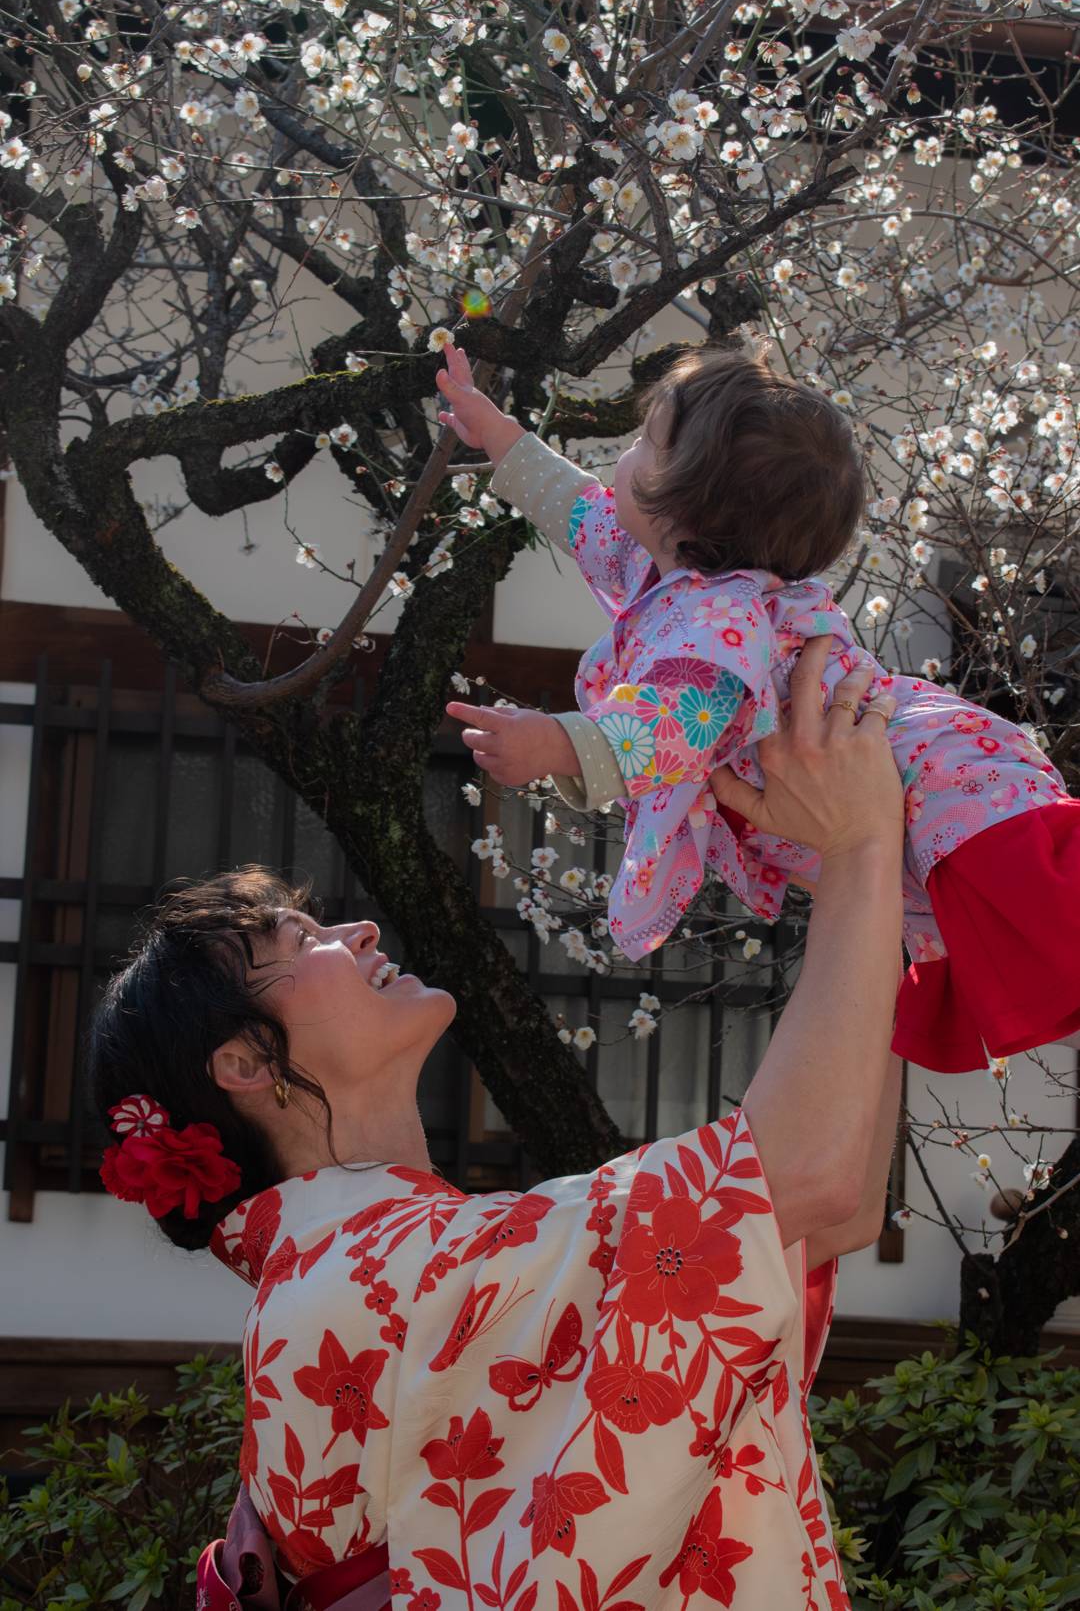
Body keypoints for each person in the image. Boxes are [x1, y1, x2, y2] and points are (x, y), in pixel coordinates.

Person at [91, 636, 905, 1611]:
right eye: (297, 939)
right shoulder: (359, 1281)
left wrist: (888, 908)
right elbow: (805, 1176)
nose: (357, 932)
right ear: (245, 1065)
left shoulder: (375, 1263)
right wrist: (863, 851)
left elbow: (826, 1202)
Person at [436, 340, 1079, 1074]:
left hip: (934, 779)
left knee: (1044, 919)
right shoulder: (669, 570)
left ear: (685, 505)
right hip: (894, 786)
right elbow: (579, 508)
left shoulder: (724, 621)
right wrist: (497, 435)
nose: (626, 450)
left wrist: (554, 744)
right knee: (1000, 933)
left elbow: (672, 727)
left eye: (648, 439)